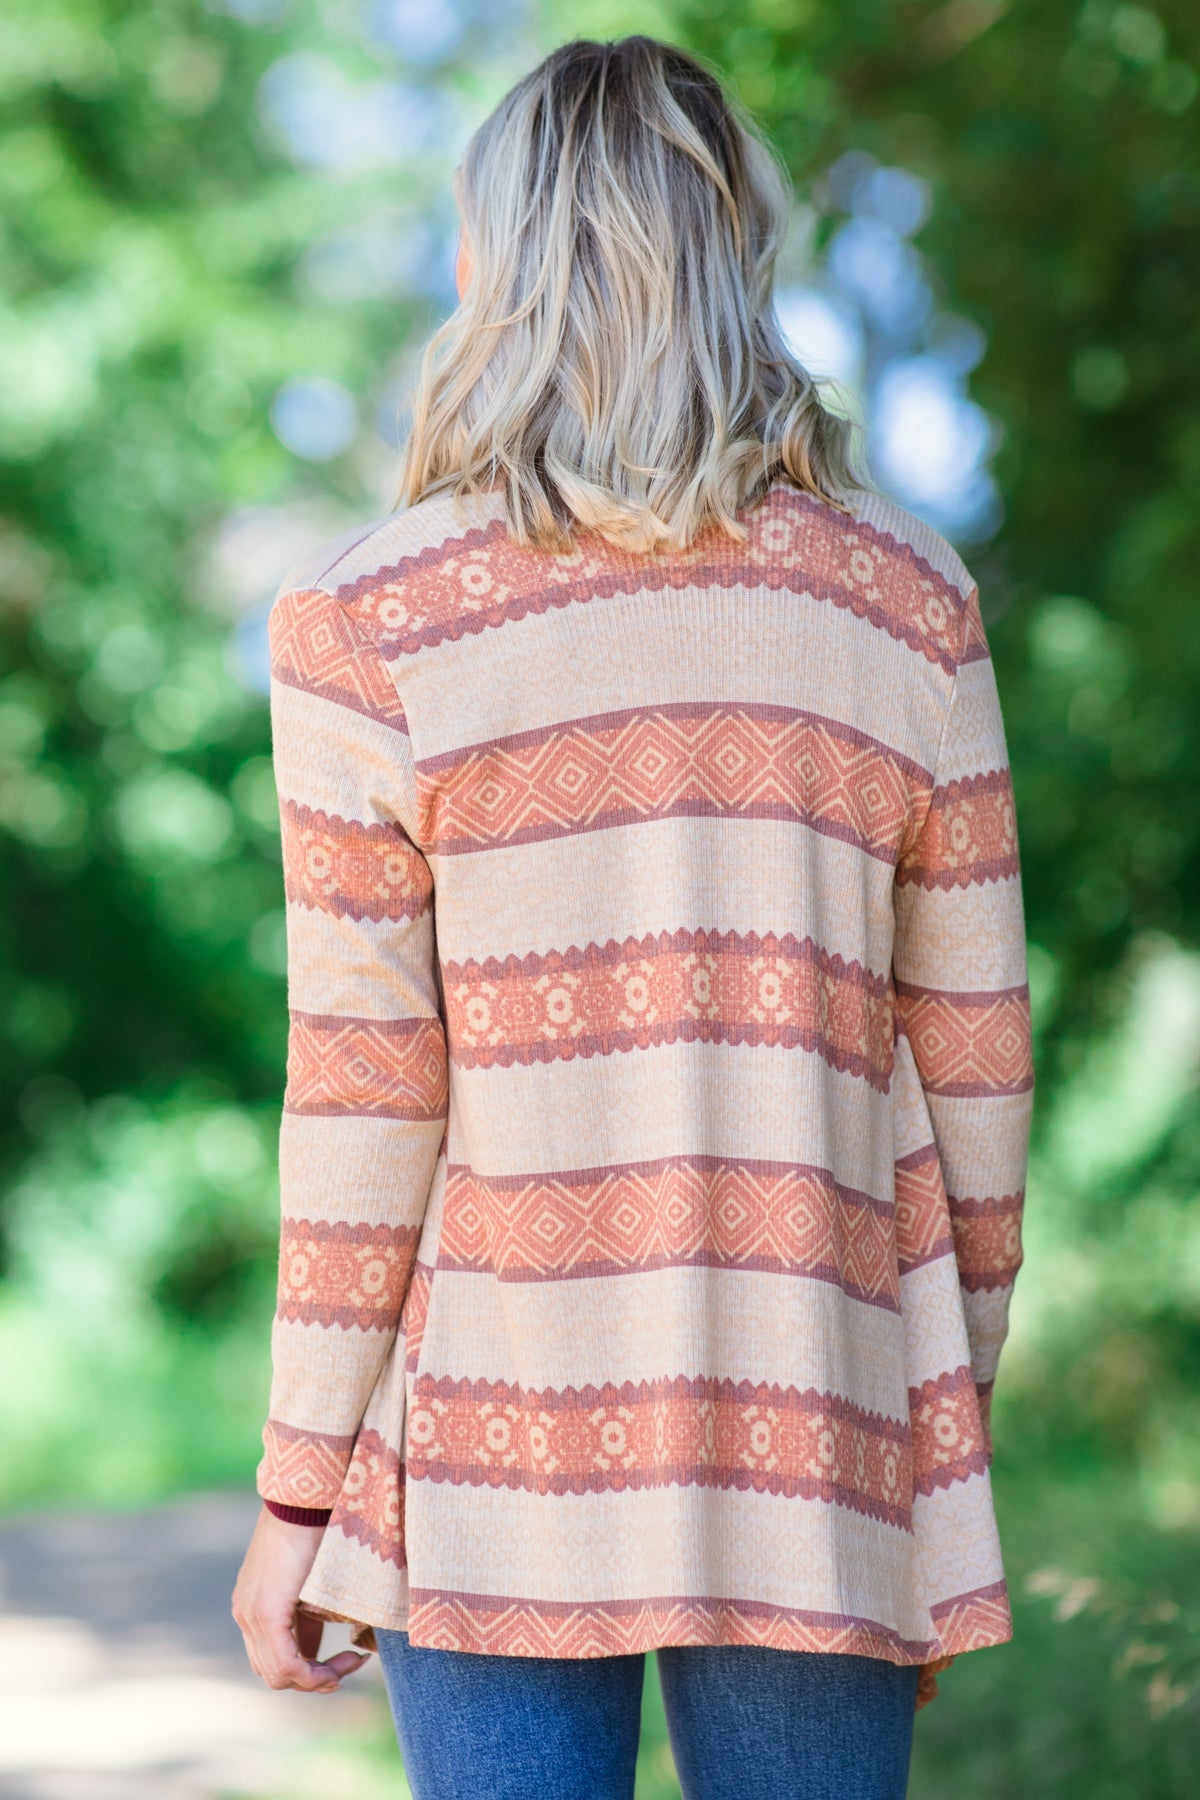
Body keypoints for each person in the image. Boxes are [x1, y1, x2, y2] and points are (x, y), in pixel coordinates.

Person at [232, 34, 1033, 1800]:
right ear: (739, 256)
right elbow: (974, 1056)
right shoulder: (907, 603)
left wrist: (298, 1488)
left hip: (493, 1453)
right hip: (818, 1416)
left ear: (489, 271)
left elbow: (368, 1091)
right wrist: (946, 1406)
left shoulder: (373, 622)